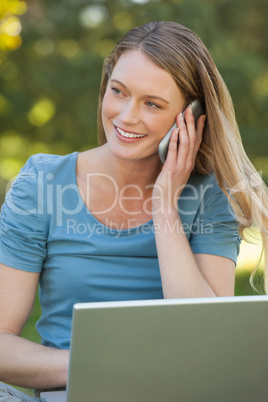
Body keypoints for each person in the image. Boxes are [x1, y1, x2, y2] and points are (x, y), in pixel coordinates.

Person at [0, 20, 267, 400]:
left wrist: (165, 208)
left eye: (152, 104)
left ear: (189, 117)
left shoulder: (210, 197)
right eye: (119, 92)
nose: (126, 116)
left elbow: (210, 342)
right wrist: (96, 366)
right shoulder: (41, 184)